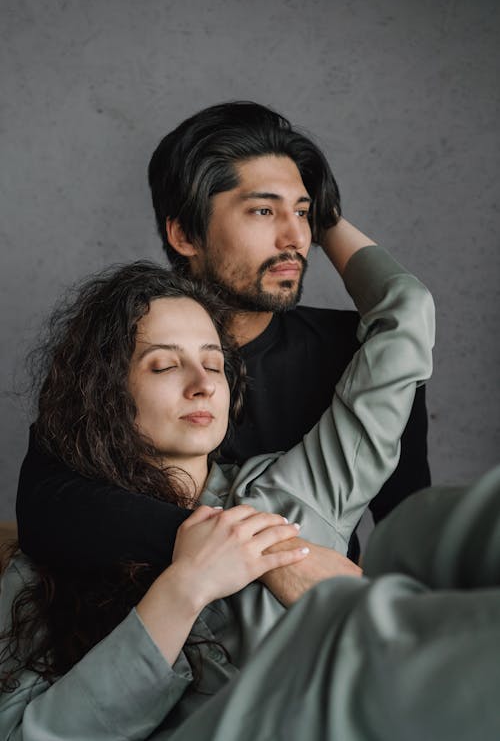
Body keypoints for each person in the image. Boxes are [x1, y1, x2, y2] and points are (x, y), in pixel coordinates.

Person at [0, 233, 435, 739]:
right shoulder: (46, 561)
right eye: (163, 364)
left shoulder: (298, 489)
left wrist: (326, 217)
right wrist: (185, 589)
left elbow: (406, 318)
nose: (202, 382)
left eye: (213, 363)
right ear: (105, 392)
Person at [16, 102, 430, 571]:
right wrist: (266, 559)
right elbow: (46, 507)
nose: (295, 237)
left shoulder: (355, 352)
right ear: (185, 235)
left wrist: (326, 213)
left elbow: (410, 524)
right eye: (262, 210)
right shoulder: (122, 347)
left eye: (303, 212)